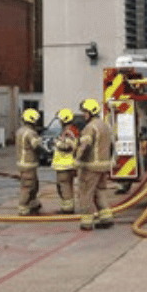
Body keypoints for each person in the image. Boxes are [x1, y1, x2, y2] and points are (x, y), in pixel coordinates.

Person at [75, 98, 114, 231]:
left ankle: (86, 222)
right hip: (103, 167)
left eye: (85, 112)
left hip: (91, 167)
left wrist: (77, 160)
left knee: (85, 193)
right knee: (100, 192)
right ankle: (106, 218)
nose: (83, 115)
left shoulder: (90, 127)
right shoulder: (105, 126)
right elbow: (112, 145)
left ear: (91, 112)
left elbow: (84, 146)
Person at [15, 108, 43, 216]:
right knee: (27, 187)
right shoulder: (31, 133)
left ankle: (33, 203)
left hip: (23, 163)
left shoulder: (20, 131)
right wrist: (42, 141)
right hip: (29, 164)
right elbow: (36, 145)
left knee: (34, 185)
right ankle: (23, 208)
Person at [51, 108, 79, 214]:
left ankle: (67, 209)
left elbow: (67, 146)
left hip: (65, 165)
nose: (59, 121)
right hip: (67, 164)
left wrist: (56, 143)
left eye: (60, 119)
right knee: (66, 186)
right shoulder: (72, 130)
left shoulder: (68, 132)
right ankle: (68, 207)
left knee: (64, 187)